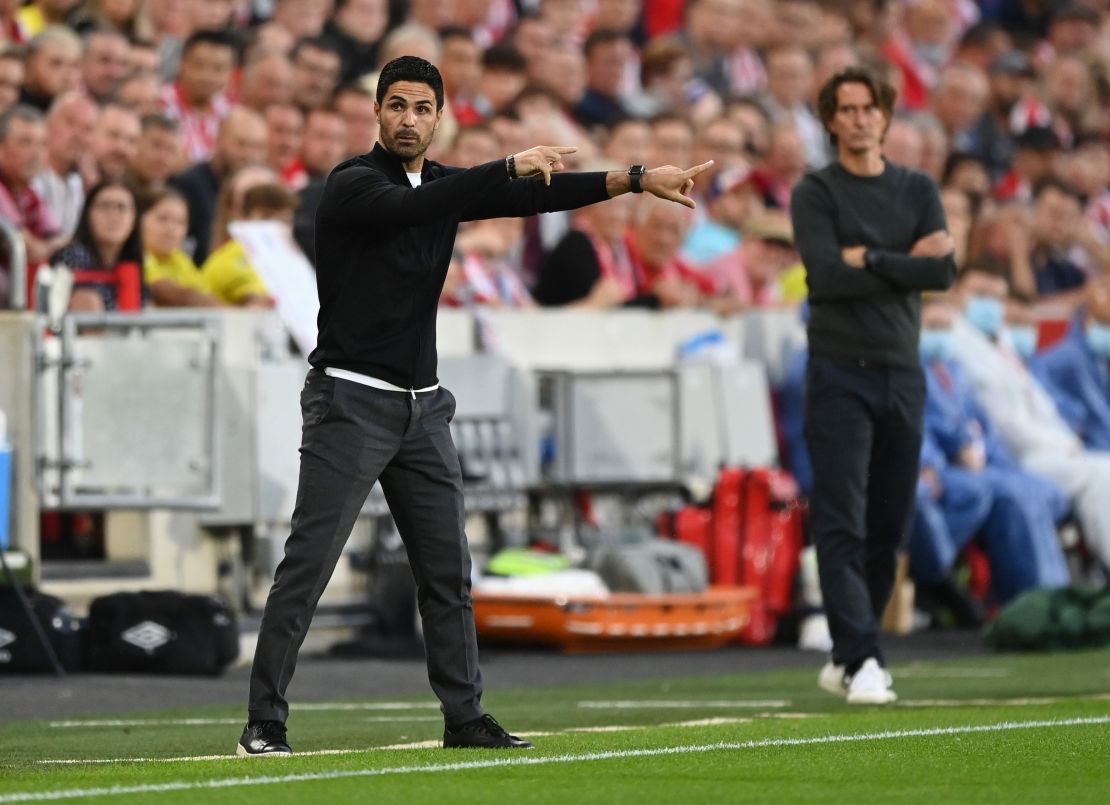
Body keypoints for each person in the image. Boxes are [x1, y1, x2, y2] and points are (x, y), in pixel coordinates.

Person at [239, 55, 711, 757]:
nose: (408, 119)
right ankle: (264, 722)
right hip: (351, 401)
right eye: (396, 105)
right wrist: (506, 167)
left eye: (422, 108)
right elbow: (419, 206)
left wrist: (635, 178)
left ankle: (464, 716)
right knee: (309, 563)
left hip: (422, 409)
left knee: (449, 571)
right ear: (377, 112)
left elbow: (533, 198)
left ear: (439, 117)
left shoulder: (442, 185)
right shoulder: (351, 184)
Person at [789, 66, 956, 705]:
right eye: (847, 109)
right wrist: (904, 262)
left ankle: (846, 650)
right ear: (831, 121)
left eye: (869, 108)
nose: (860, 118)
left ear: (885, 116)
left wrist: (875, 258)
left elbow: (942, 269)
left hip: (903, 371)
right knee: (840, 519)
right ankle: (862, 656)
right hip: (838, 371)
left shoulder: (916, 187)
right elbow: (827, 276)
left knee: (890, 521)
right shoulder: (817, 191)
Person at [53, 179, 142, 311]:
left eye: (121, 207)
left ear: (135, 218)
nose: (113, 216)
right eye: (104, 206)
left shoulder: (133, 262)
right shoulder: (73, 255)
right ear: (87, 215)